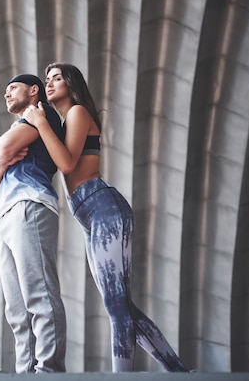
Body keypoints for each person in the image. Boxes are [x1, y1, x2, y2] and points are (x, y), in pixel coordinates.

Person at [22, 62, 190, 372]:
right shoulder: (64, 120)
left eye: (57, 78)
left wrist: (39, 123)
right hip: (91, 216)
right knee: (120, 307)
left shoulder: (77, 113)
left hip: (104, 208)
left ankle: (123, 376)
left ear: (72, 84)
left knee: (116, 307)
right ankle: (177, 371)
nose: (50, 83)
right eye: (47, 79)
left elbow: (68, 164)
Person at [0, 73, 67, 373]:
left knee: (39, 295)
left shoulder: (38, 115)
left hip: (29, 205)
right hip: (6, 214)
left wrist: (1, 160)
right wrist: (1, 162)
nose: (7, 93)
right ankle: (25, 373)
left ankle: (48, 370)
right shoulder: (21, 125)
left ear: (34, 90)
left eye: (12, 88)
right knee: (17, 310)